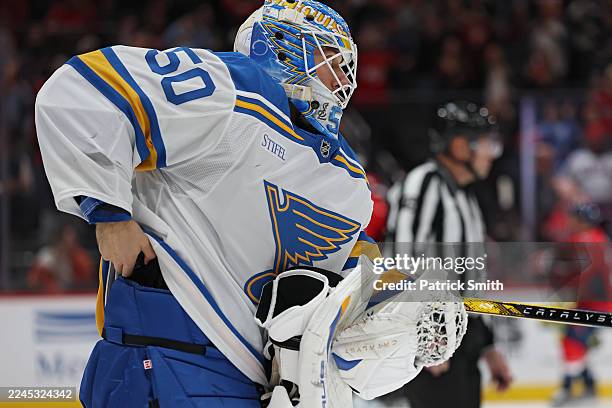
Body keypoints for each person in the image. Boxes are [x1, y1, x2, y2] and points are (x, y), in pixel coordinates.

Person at [34, 1, 376, 406]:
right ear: (280, 49)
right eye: (328, 59)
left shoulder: (348, 179)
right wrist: (108, 215)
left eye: (344, 66)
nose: (341, 79)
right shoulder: (232, 87)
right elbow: (82, 90)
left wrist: (385, 321)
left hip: (255, 385)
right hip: (165, 350)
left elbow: (348, 274)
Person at [386, 101, 513, 408]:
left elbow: (471, 281)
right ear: (459, 145)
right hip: (434, 336)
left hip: (463, 338)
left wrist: (487, 346)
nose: (491, 154)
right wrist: (426, 335)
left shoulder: (464, 195)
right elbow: (403, 261)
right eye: (487, 144)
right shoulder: (424, 182)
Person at [550, 203, 612, 406]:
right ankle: (588, 383)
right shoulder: (600, 238)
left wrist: (557, 273)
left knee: (573, 341)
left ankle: (569, 387)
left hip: (595, 304)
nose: (571, 222)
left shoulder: (582, 240)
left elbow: (584, 274)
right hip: (594, 303)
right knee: (576, 341)